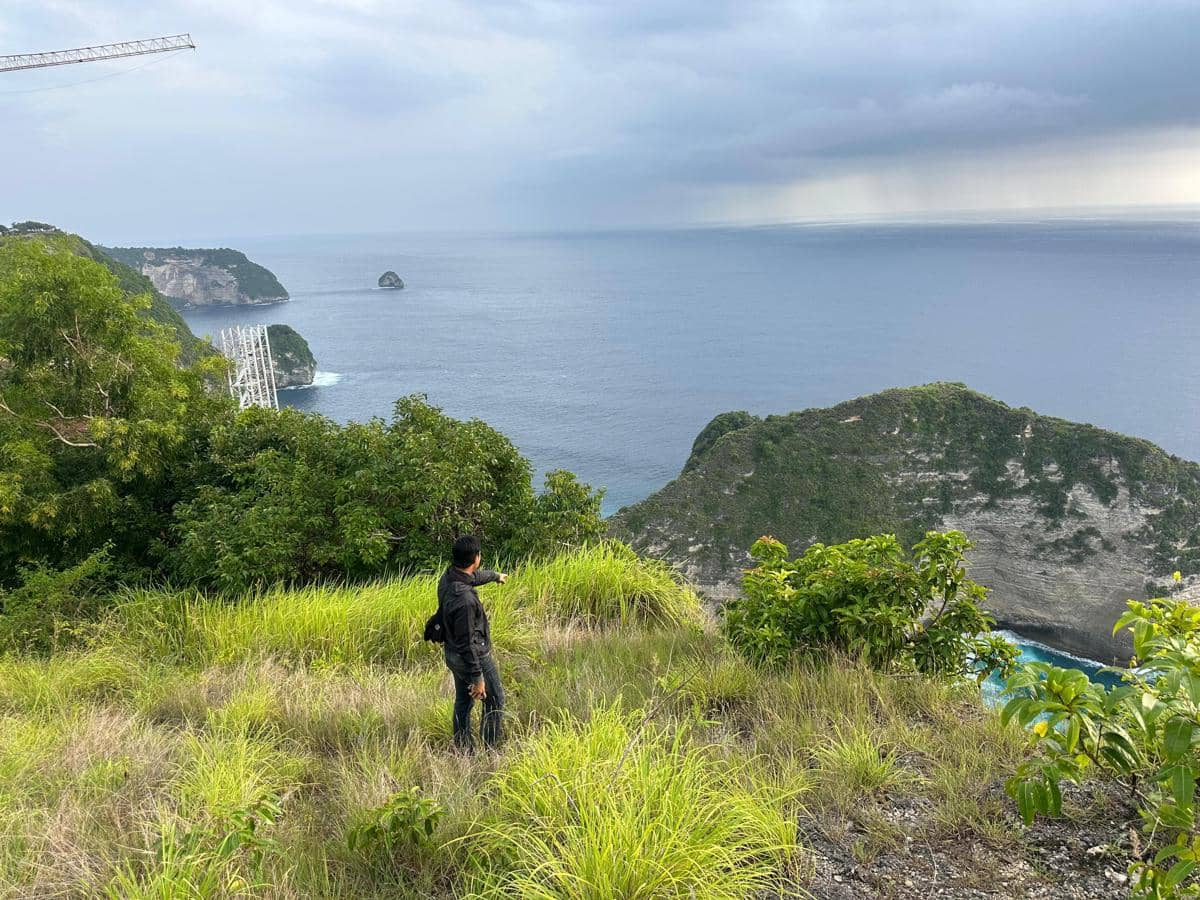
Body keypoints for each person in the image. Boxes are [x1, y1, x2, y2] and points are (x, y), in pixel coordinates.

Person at [438, 535, 508, 752]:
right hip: (472, 657)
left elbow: (473, 577)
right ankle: (491, 749)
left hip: (451, 653)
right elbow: (468, 643)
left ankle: (463, 749)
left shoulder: (449, 578)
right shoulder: (466, 601)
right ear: (476, 558)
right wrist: (478, 678)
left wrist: (495, 576)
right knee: (495, 699)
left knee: (463, 701)